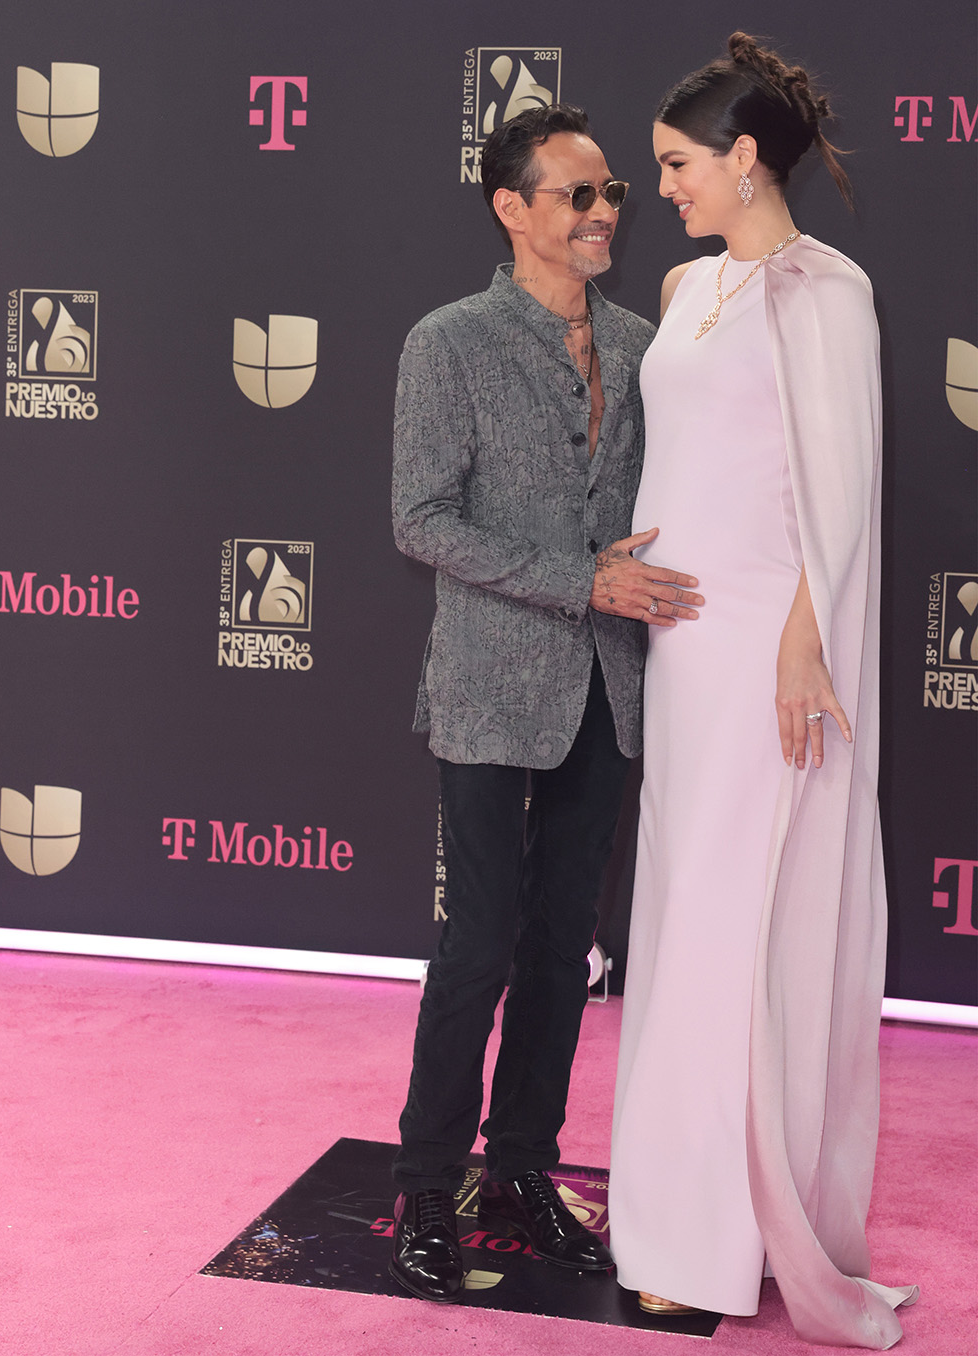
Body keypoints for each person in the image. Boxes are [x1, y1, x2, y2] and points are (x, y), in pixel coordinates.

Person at [608, 34, 918, 1348]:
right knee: (684, 918)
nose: (660, 190)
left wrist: (806, 642)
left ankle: (712, 1239)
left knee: (737, 928)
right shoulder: (686, 288)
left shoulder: (822, 289)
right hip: (681, 650)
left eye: (678, 166)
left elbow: (837, 496)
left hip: (761, 654)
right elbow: (693, 450)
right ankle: (694, 1218)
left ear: (743, 157)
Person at [389, 103, 704, 1305]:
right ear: (510, 209)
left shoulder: (640, 341)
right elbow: (420, 520)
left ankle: (522, 1171)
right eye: (577, 194)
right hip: (487, 686)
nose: (606, 210)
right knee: (475, 947)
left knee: (563, 953)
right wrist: (583, 579)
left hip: (608, 694)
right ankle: (426, 1187)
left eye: (613, 190)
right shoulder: (448, 342)